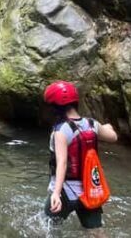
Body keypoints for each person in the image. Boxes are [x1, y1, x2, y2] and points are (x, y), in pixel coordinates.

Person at [44, 80, 117, 230]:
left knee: (48, 228)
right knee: (96, 232)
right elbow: (113, 137)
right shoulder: (92, 124)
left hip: (65, 192)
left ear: (55, 108)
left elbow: (62, 163)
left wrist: (56, 194)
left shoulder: (61, 131)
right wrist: (107, 126)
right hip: (90, 191)